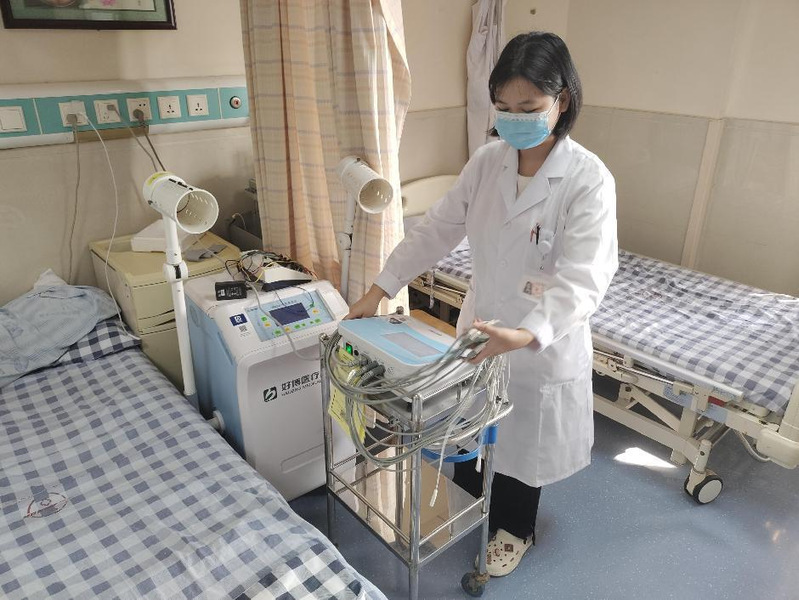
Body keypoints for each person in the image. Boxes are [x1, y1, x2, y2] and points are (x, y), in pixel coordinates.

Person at [346, 31, 618, 577]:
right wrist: (379, 288)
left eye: (529, 108)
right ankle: (471, 506)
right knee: (468, 429)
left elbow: (585, 278)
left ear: (562, 100)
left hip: (538, 341)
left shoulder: (587, 179)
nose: (515, 119)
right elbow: (436, 230)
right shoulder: (488, 162)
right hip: (480, 328)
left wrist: (524, 334)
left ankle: (515, 529)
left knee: (521, 446)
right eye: (504, 107)